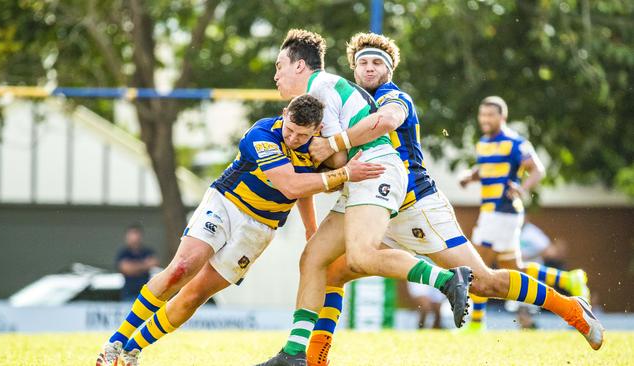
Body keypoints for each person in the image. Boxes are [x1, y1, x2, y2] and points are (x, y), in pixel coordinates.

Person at [298, 33, 604, 366]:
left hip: (416, 205)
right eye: (363, 63)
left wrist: (331, 144)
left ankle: (571, 308)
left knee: (483, 282)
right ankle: (316, 359)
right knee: (330, 272)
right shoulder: (346, 104)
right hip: (373, 206)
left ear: (389, 70)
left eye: (377, 63)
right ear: (354, 70)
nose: (369, 69)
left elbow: (387, 120)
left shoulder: (394, 97)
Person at [95, 94, 386, 366]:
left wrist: (311, 230)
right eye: (291, 130)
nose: (295, 138)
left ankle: (132, 351)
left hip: (260, 228)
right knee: (182, 268)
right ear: (285, 114)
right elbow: (291, 185)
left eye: (303, 135)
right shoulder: (263, 134)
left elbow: (304, 188)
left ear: (317, 129)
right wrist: (344, 173)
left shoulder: (316, 147)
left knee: (195, 296)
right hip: (227, 204)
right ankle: (114, 343)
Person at [257, 29, 472, 366]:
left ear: (300, 66)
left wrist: (317, 155)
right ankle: (295, 354)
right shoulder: (316, 96)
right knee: (313, 258)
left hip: (375, 169)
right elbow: (331, 166)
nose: (276, 74)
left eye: (280, 65)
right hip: (362, 173)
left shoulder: (321, 91)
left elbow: (339, 160)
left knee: (362, 256)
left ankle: (447, 279)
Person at [459, 96, 591, 330]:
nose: (485, 119)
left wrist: (522, 188)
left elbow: (537, 169)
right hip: (491, 212)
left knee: (477, 266)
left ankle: (476, 324)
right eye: (482, 114)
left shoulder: (515, 142)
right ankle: (569, 279)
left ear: (502, 117)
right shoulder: (483, 143)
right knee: (514, 269)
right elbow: (486, 168)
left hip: (502, 211)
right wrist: (471, 176)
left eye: (490, 115)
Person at [116, 224, 160, 301]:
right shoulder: (123, 252)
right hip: (128, 293)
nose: (135, 238)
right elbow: (125, 268)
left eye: (136, 234)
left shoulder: (147, 251)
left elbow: (154, 263)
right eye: (132, 234)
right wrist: (144, 265)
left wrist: (133, 266)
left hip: (146, 293)